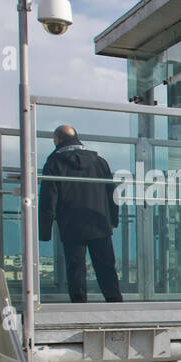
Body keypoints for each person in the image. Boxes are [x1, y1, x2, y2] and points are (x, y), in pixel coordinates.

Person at [38, 125, 123, 302]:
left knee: (75, 267)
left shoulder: (54, 163)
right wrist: (113, 219)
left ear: (58, 140)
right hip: (99, 222)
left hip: (71, 225)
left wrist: (44, 230)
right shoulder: (99, 162)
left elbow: (48, 199)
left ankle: (79, 304)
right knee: (106, 266)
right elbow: (112, 193)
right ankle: (115, 301)